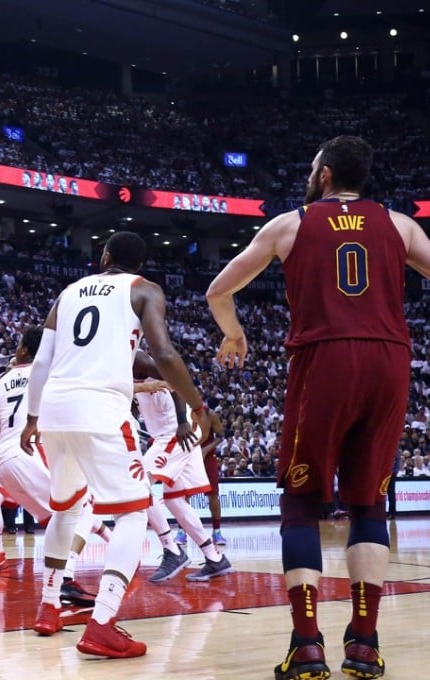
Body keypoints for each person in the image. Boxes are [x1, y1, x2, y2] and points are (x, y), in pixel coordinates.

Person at [206, 135, 430, 680]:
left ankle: (307, 645)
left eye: (312, 167)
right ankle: (366, 643)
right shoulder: (399, 224)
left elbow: (218, 289)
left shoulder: (290, 223)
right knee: (370, 505)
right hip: (389, 360)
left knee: (302, 504)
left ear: (325, 174)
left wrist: (234, 335)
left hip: (324, 356)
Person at [21, 231, 209, 659]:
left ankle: (49, 607)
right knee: (133, 512)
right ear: (138, 266)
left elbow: (42, 363)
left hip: (54, 409)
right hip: (101, 409)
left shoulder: (67, 293)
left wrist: (32, 418)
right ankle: (102, 622)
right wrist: (197, 405)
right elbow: (161, 351)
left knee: (65, 509)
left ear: (104, 256)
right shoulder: (143, 289)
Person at [0, 326, 109, 614]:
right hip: (31, 452)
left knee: (55, 519)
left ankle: (53, 595)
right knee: (82, 508)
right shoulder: (52, 374)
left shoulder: (3, 380)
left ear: (24, 350)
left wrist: (8, 441)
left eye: (18, 345)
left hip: (4, 458)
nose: (15, 349)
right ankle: (66, 579)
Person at [131, 352, 233, 584]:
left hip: (176, 433)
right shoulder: (115, 362)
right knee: (174, 500)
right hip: (165, 435)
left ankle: (172, 550)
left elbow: (176, 380)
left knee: (137, 485)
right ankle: (214, 558)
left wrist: (182, 421)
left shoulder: (139, 360)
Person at [176, 405, 227, 546]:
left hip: (207, 457)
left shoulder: (210, 413)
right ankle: (182, 532)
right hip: (188, 455)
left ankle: (217, 532)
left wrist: (206, 449)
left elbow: (221, 436)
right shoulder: (179, 413)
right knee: (184, 495)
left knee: (213, 495)